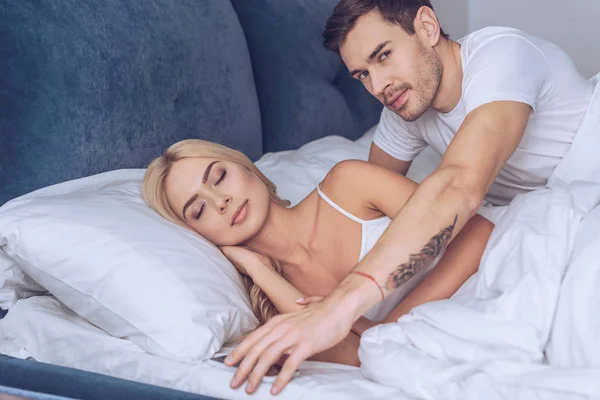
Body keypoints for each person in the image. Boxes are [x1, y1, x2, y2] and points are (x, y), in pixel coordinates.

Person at [223, 0, 596, 395]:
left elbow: (457, 185)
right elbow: (374, 217)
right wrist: (277, 273)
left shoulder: (503, 56)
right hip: (550, 207)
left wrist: (340, 308)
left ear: (427, 26)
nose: (378, 85)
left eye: (383, 55)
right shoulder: (405, 113)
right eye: (362, 74)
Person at [142, 138, 493, 368]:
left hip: (493, 282)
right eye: (199, 211)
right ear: (198, 234)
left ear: (246, 167)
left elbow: (476, 233)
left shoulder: (348, 185)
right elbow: (358, 360)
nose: (221, 202)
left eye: (218, 177)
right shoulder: (276, 303)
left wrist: (388, 325)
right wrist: (259, 270)